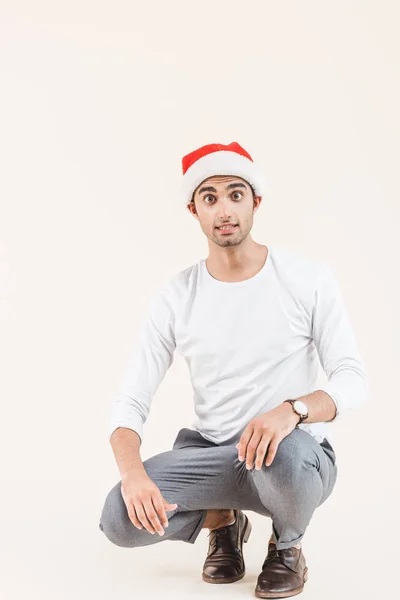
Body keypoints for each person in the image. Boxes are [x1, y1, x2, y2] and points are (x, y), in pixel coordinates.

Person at [98, 141, 369, 598]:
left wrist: (293, 410)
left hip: (290, 458)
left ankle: (287, 547)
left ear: (255, 202)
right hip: (214, 457)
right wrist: (132, 474)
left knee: (284, 457)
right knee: (119, 520)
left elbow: (353, 378)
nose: (224, 209)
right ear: (194, 210)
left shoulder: (307, 279)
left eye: (235, 194)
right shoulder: (177, 295)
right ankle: (222, 519)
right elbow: (130, 399)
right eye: (209, 197)